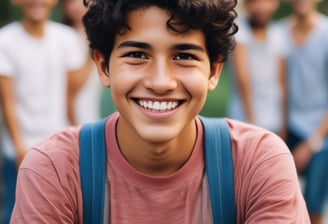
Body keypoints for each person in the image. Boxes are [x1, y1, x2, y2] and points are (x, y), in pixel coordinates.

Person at [11, 0, 310, 223]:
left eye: (184, 56)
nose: (160, 82)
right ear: (103, 67)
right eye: (137, 55)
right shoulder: (55, 170)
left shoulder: (258, 164)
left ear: (214, 71)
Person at [0, 0, 84, 223]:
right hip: (20, 147)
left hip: (58, 146)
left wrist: (74, 137)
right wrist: (19, 147)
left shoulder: (66, 39)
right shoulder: (5, 40)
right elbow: (6, 101)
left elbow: (69, 97)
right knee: (15, 211)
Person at [278, 0, 328, 223]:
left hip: (321, 133)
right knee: (281, 204)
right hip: (285, 129)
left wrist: (312, 143)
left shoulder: (326, 34)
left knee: (314, 206)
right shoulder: (277, 33)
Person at [228, 0, 287, 136]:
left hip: (273, 119)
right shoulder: (240, 32)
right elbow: (242, 78)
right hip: (244, 119)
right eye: (255, 2)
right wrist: (251, 119)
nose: (261, 7)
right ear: (247, 5)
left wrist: (283, 122)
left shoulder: (278, 35)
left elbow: (282, 81)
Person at [61, 0, 104, 124]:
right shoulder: (63, 37)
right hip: (75, 104)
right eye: (71, 1)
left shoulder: (106, 33)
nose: (78, 5)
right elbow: (72, 86)